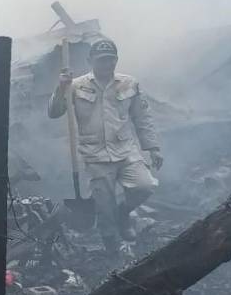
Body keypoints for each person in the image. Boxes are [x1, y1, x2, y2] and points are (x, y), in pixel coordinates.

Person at [48, 38, 163, 254]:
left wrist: (153, 147)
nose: (106, 64)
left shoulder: (129, 84)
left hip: (126, 150)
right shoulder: (75, 85)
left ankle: (124, 212)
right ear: (91, 60)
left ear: (116, 60)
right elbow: (54, 112)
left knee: (144, 186)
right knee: (103, 204)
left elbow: (142, 118)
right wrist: (61, 87)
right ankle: (111, 243)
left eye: (111, 60)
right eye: (101, 60)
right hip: (95, 154)